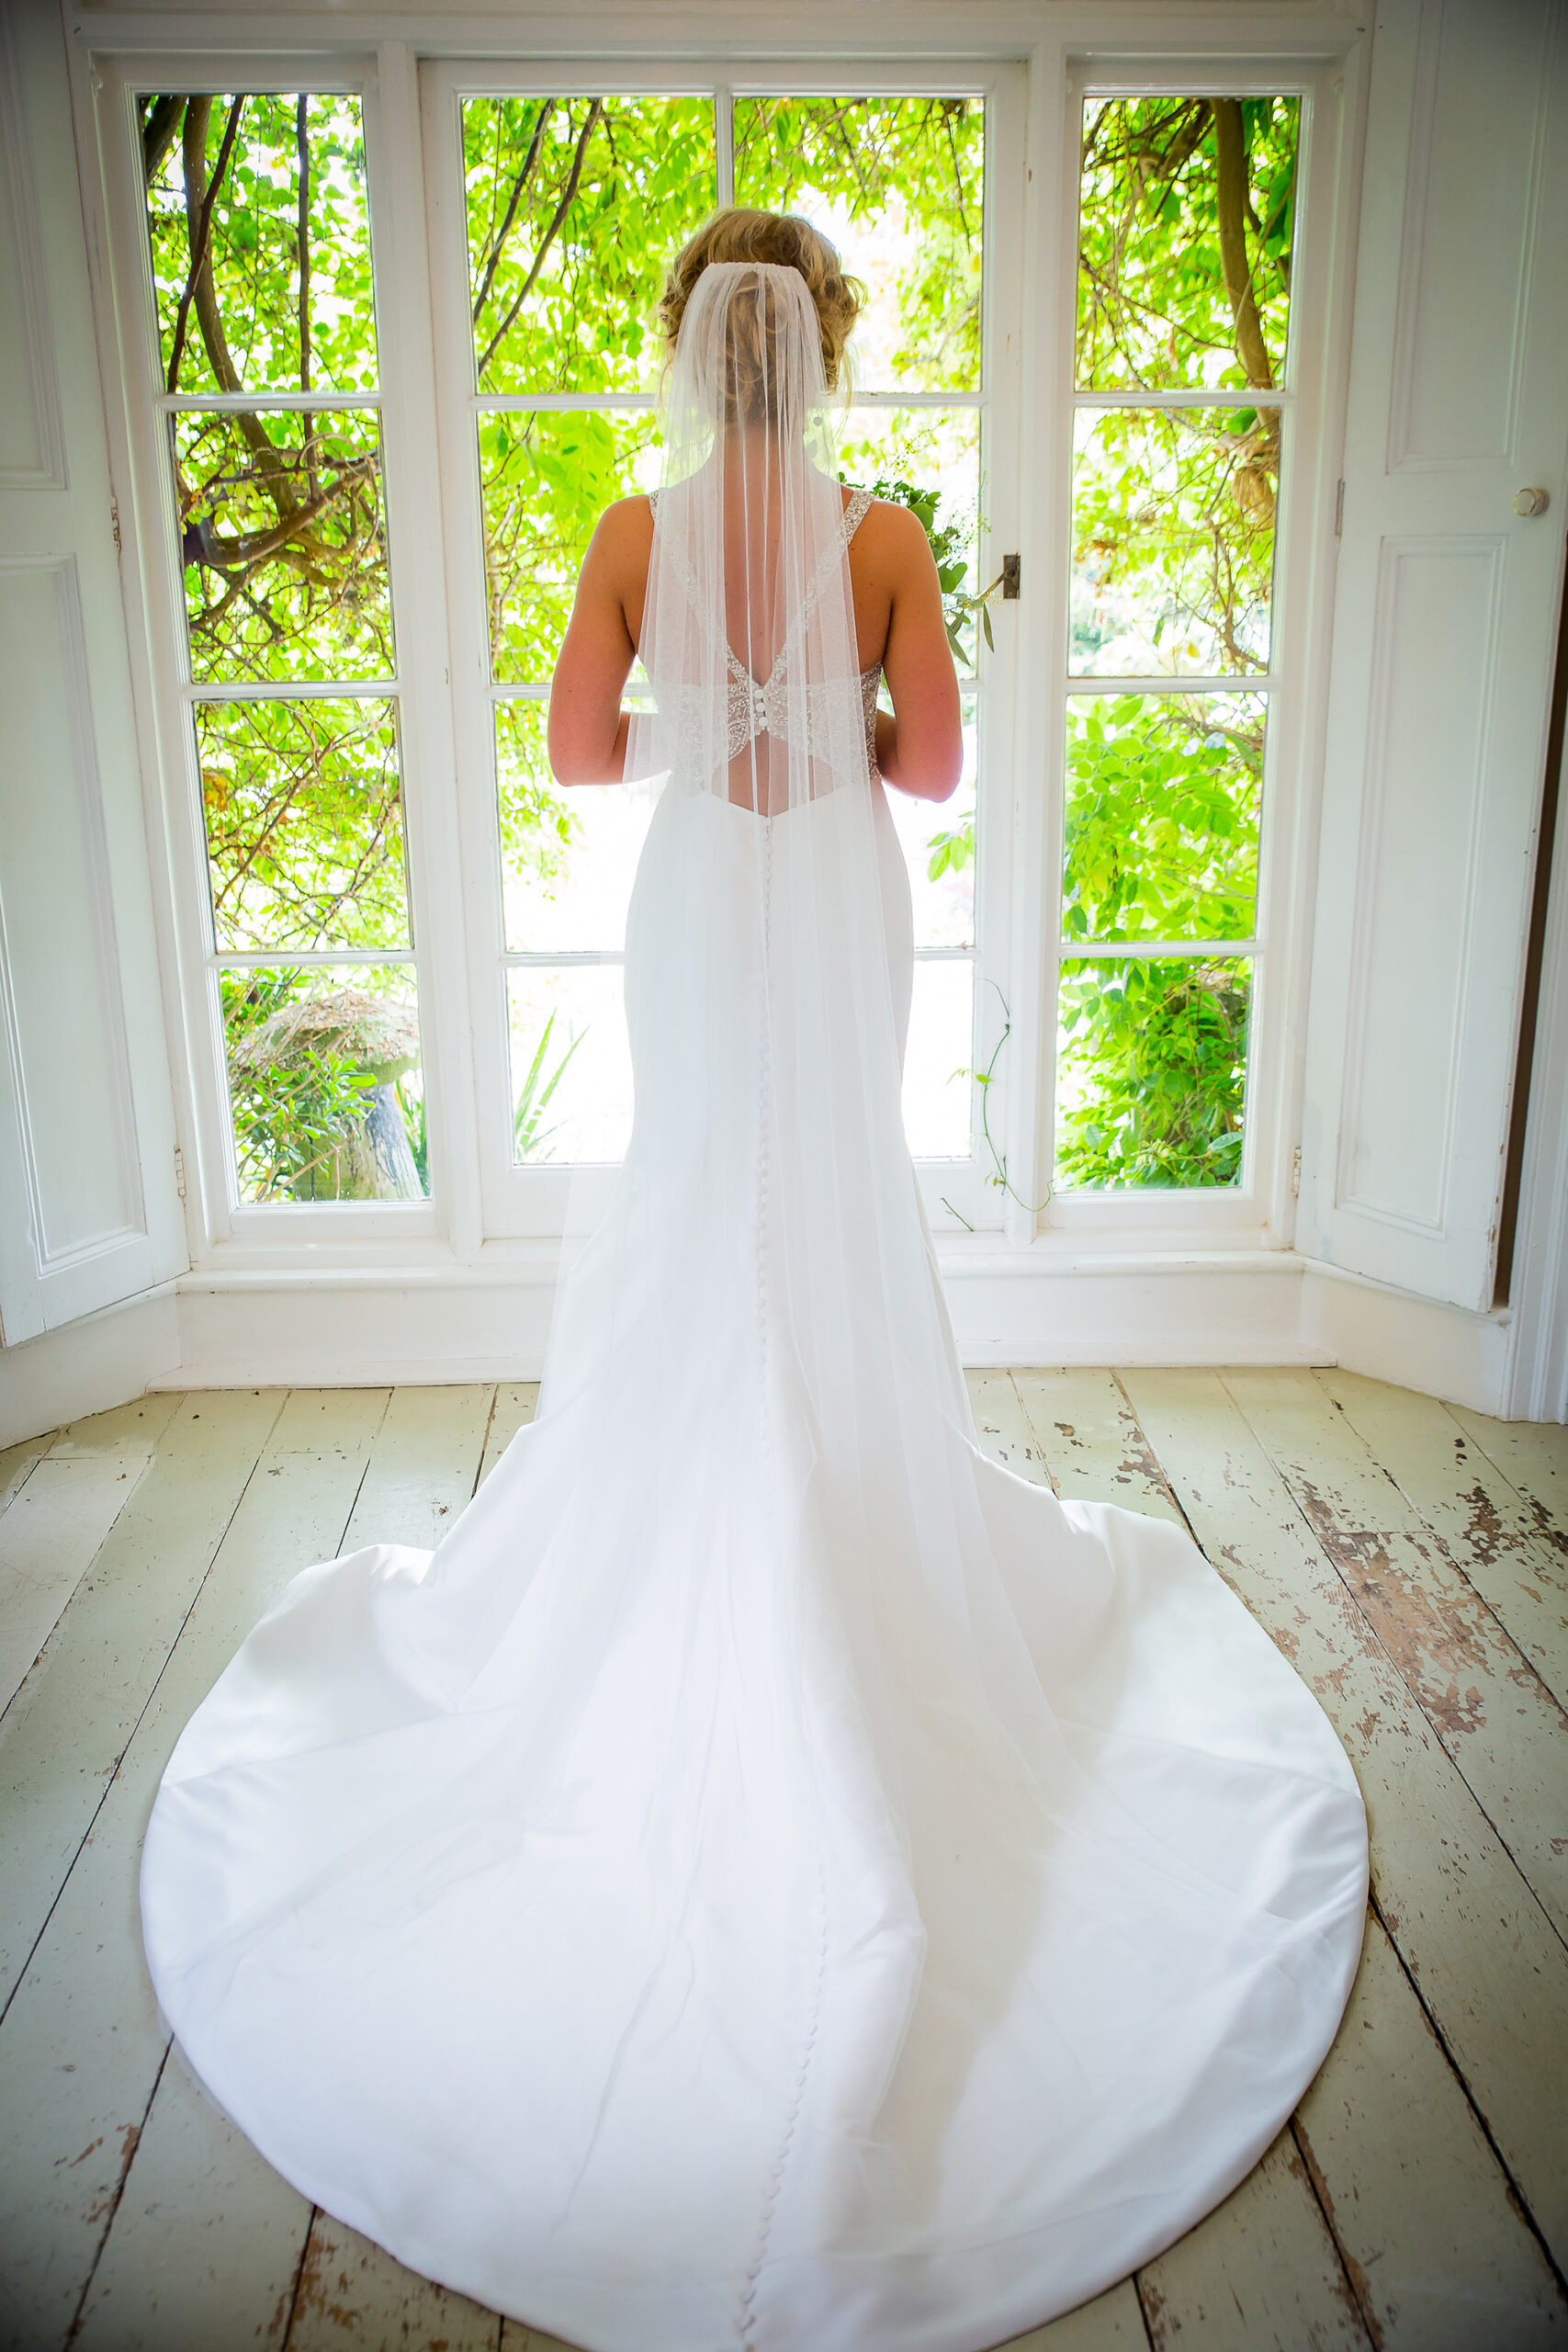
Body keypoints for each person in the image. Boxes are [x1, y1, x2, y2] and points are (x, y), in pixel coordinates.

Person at [141, 209, 1369, 2352]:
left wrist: (709, 721)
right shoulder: (881, 525)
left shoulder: (631, 520)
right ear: (821, 345)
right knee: (830, 1184)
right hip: (829, 893)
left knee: (704, 1180)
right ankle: (855, 1494)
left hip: (705, 890)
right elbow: (930, 768)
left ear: (688, 345)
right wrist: (838, 698)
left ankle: (705, 1499)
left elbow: (578, 758)